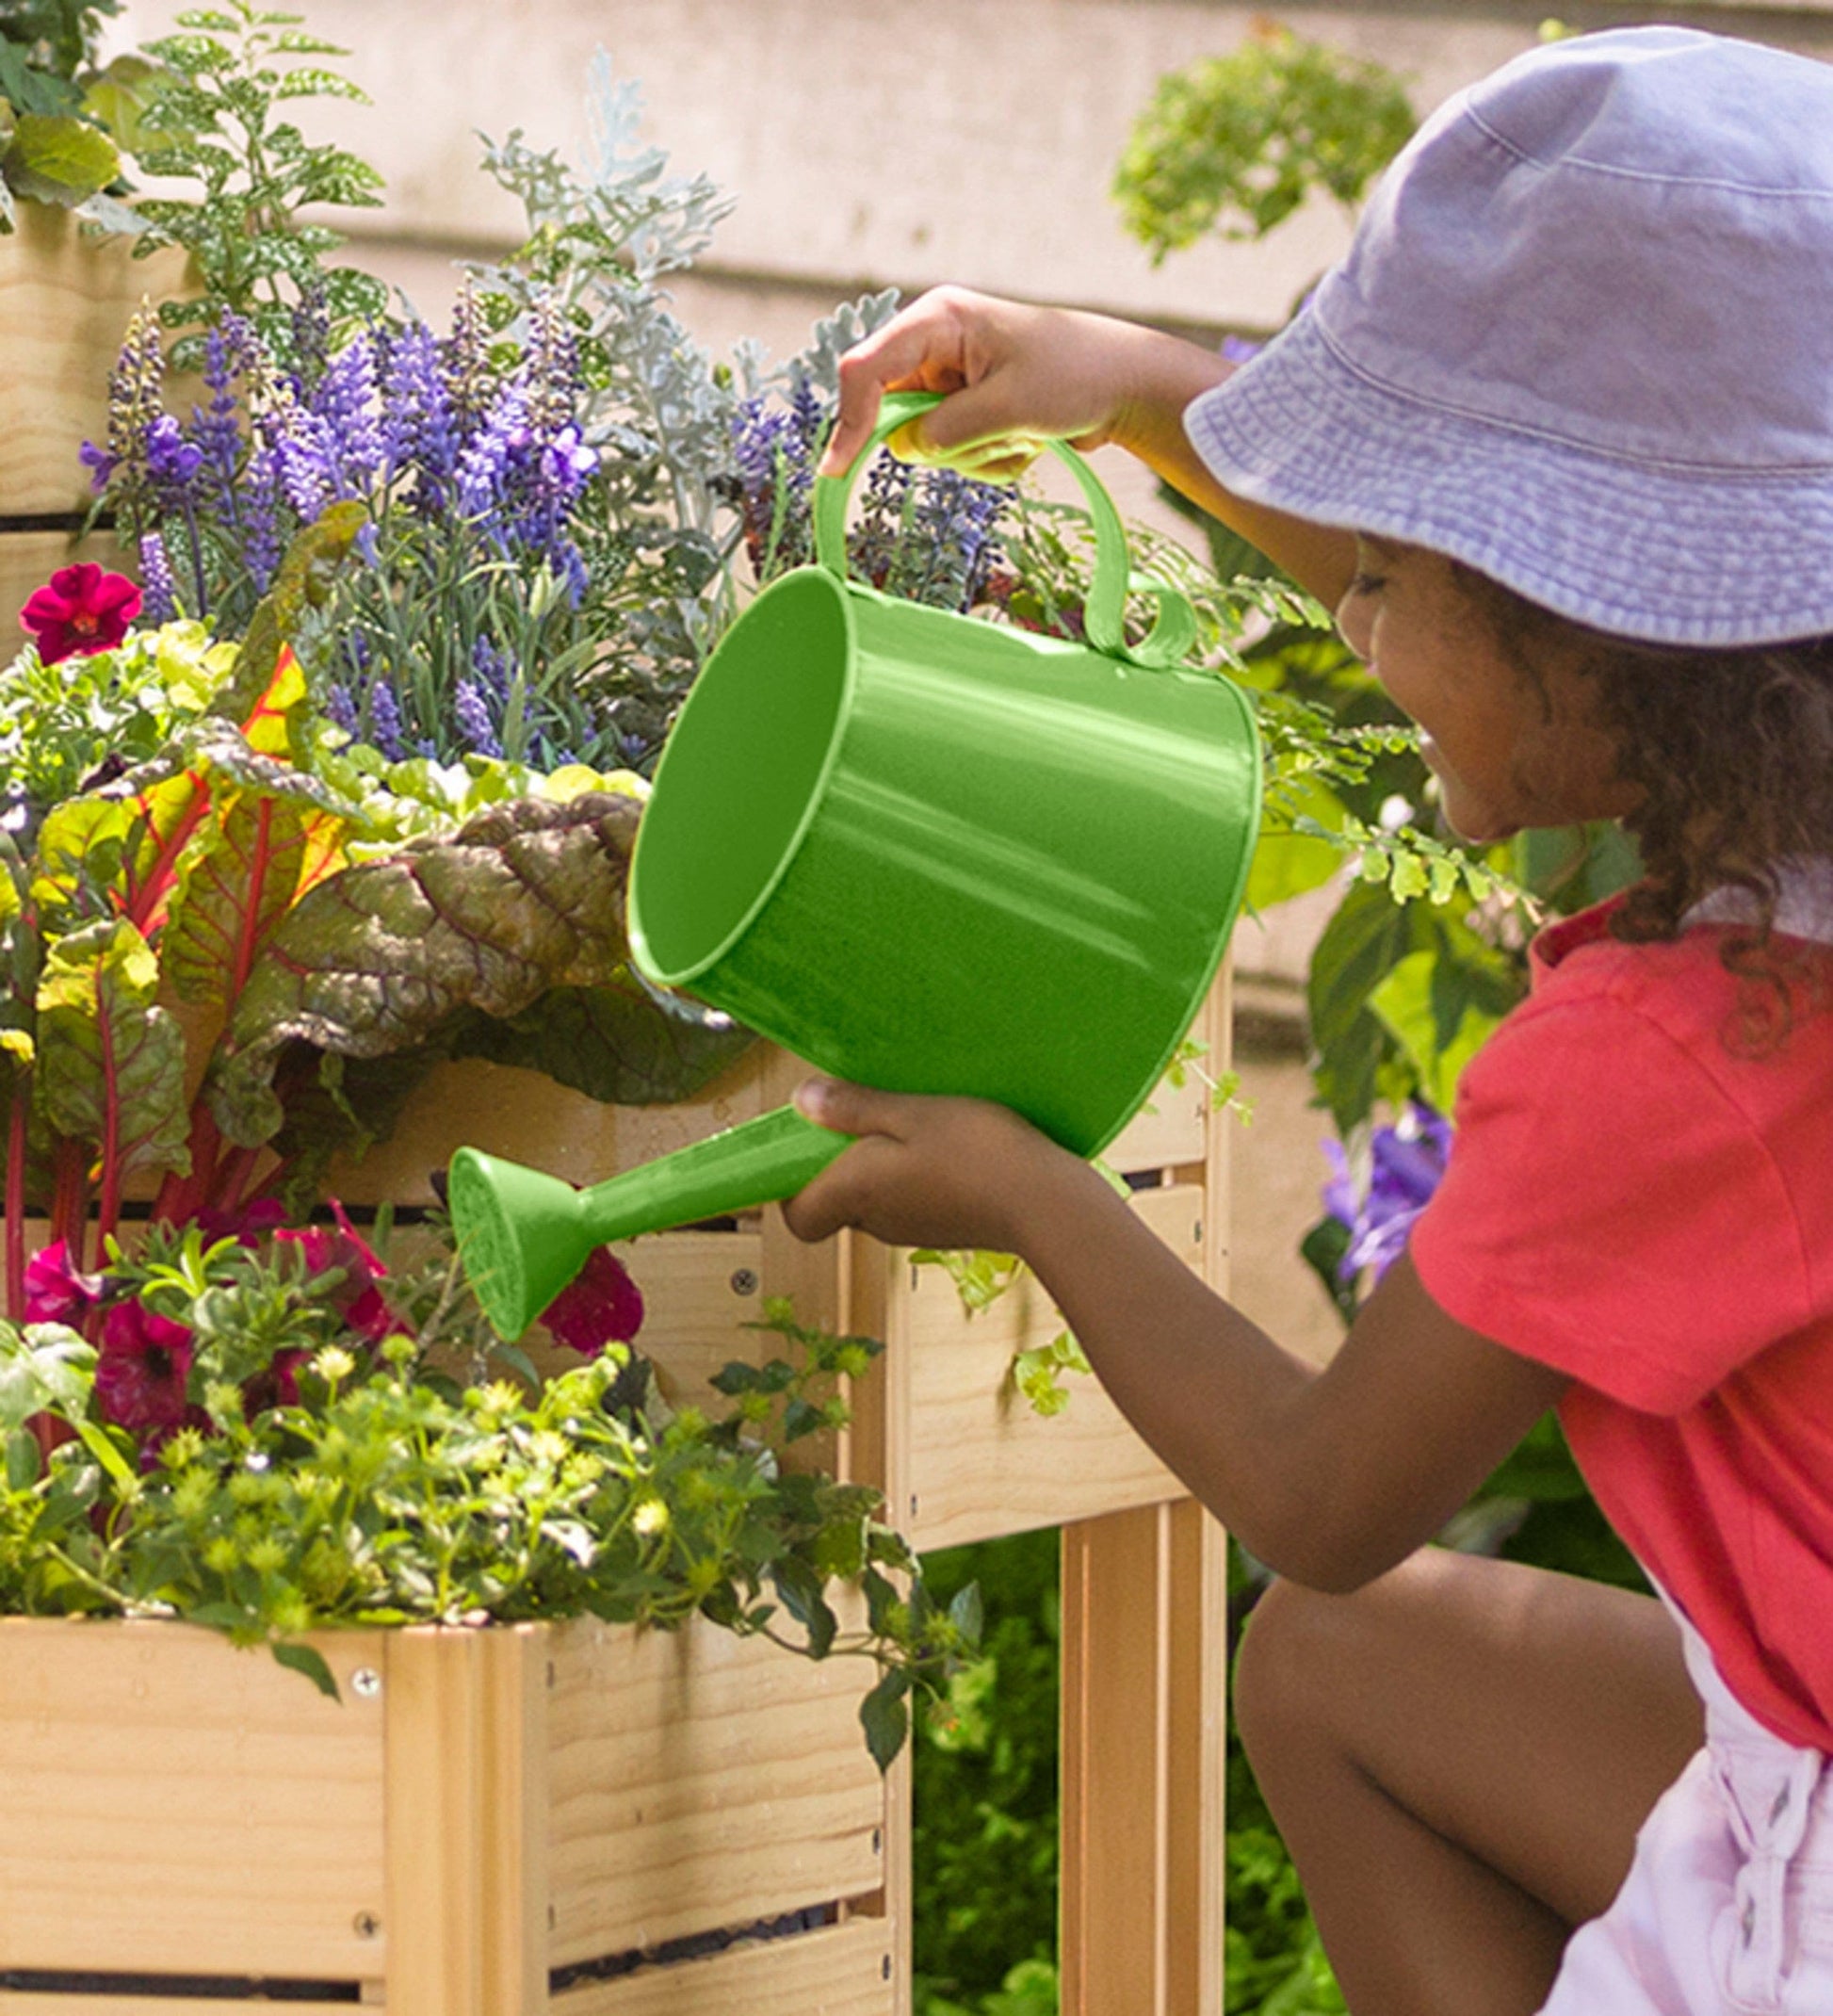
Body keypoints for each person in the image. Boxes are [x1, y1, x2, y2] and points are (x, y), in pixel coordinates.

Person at [776, 24, 1833, 2016]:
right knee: (1344, 1675)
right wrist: (1135, 396)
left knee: (1329, 1615)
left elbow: (1322, 1492)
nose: (1349, 622)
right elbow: (1487, 621)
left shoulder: (1689, 1058)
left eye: (1385, 573)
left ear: (1580, 619)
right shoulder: (1785, 847)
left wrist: (1022, 1186)